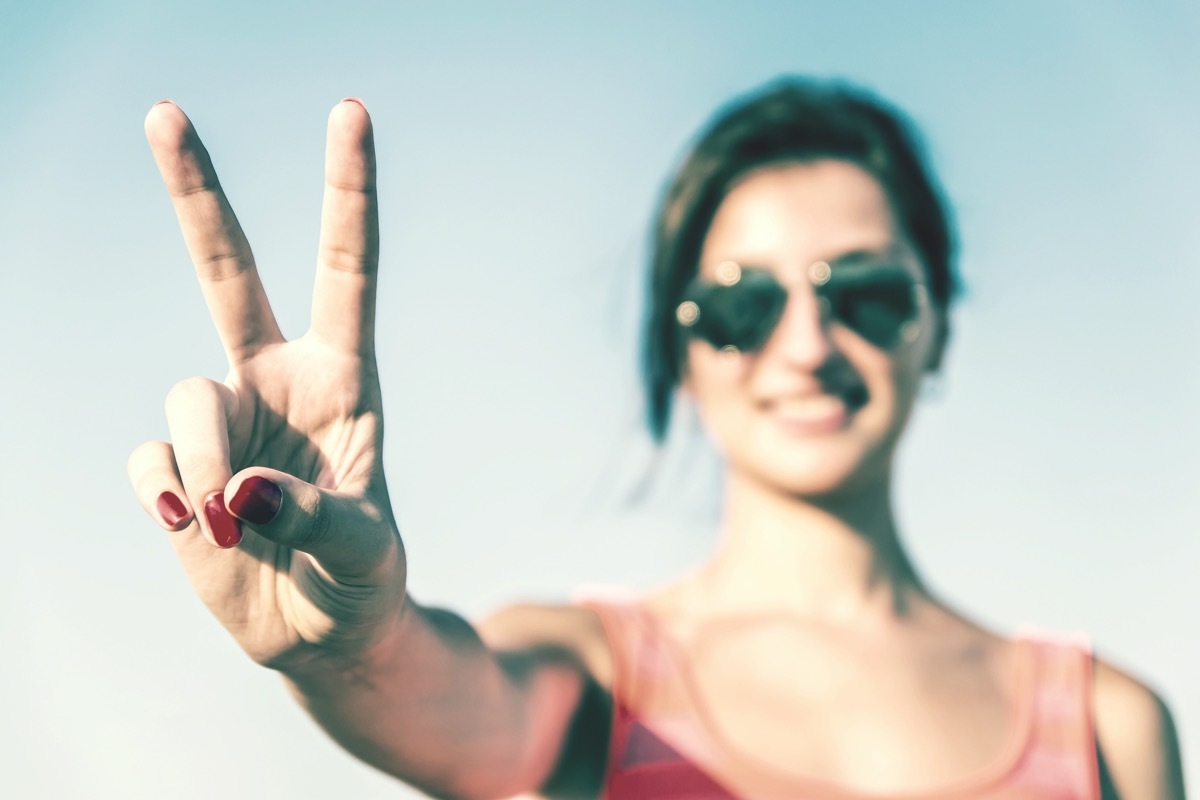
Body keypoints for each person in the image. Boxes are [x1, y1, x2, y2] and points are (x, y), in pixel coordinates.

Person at [126, 80, 1185, 799]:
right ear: (677, 348)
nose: (807, 345)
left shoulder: (1110, 726)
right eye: (741, 303)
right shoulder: (590, 672)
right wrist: (352, 644)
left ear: (935, 323)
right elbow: (448, 700)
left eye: (864, 294)